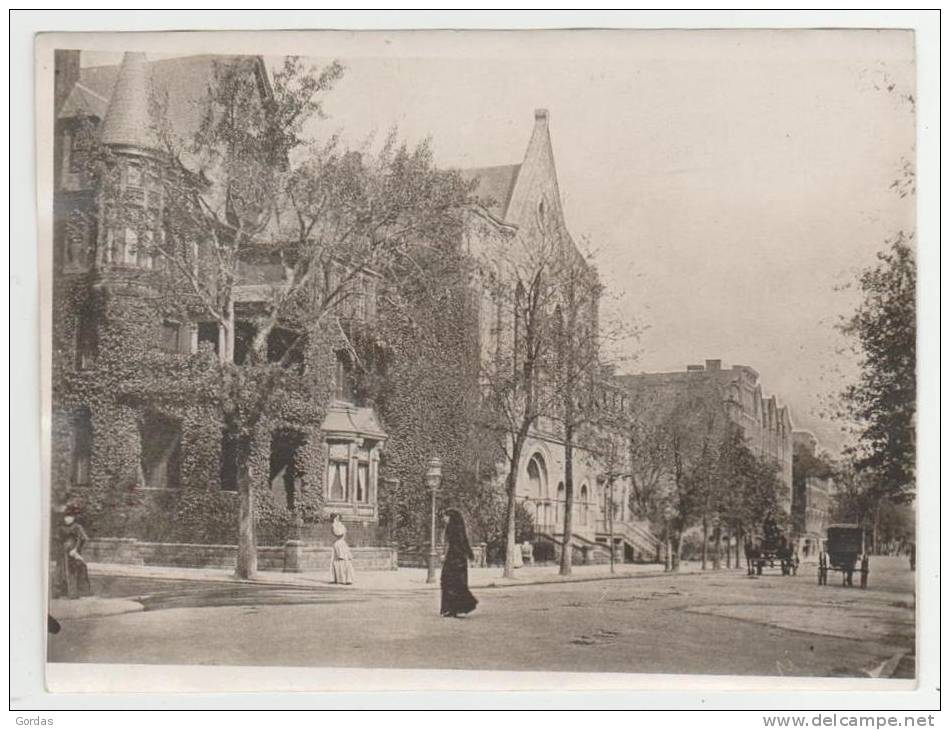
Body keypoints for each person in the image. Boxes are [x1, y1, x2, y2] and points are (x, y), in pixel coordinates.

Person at [440, 509, 478, 618]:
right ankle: (454, 609)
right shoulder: (459, 529)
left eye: (445, 516)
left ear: (450, 517)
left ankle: (451, 609)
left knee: (449, 583)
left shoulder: (452, 530)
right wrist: (470, 555)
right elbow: (464, 543)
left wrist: (445, 555)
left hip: (454, 560)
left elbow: (451, 545)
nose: (444, 519)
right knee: (456, 584)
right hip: (458, 560)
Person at [58, 514, 92, 599]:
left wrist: (76, 550)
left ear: (73, 518)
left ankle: (73, 593)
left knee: (72, 571)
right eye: (65, 517)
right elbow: (60, 539)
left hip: (73, 551)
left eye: (69, 517)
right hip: (63, 552)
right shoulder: (62, 527)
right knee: (61, 570)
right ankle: (63, 591)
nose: (67, 519)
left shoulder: (77, 527)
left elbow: (83, 538)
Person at [330, 514, 354, 585]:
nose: (337, 519)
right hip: (338, 543)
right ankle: (339, 579)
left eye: (338, 517)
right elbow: (338, 533)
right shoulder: (334, 526)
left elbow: (342, 533)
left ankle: (347, 579)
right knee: (338, 560)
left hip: (342, 543)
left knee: (345, 560)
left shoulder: (341, 525)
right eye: (335, 518)